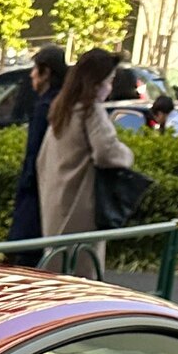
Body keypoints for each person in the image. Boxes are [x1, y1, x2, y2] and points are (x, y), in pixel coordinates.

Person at [36, 46, 133, 275]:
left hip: (56, 202)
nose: (110, 88)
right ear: (96, 82)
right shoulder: (91, 111)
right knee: (83, 274)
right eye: (109, 81)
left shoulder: (63, 108)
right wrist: (128, 154)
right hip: (81, 205)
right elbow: (106, 152)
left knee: (57, 271)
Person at [7, 45, 66, 269]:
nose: (32, 74)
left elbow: (34, 156)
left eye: (35, 69)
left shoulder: (45, 107)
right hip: (52, 194)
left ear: (46, 72)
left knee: (28, 259)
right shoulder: (62, 102)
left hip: (35, 197)